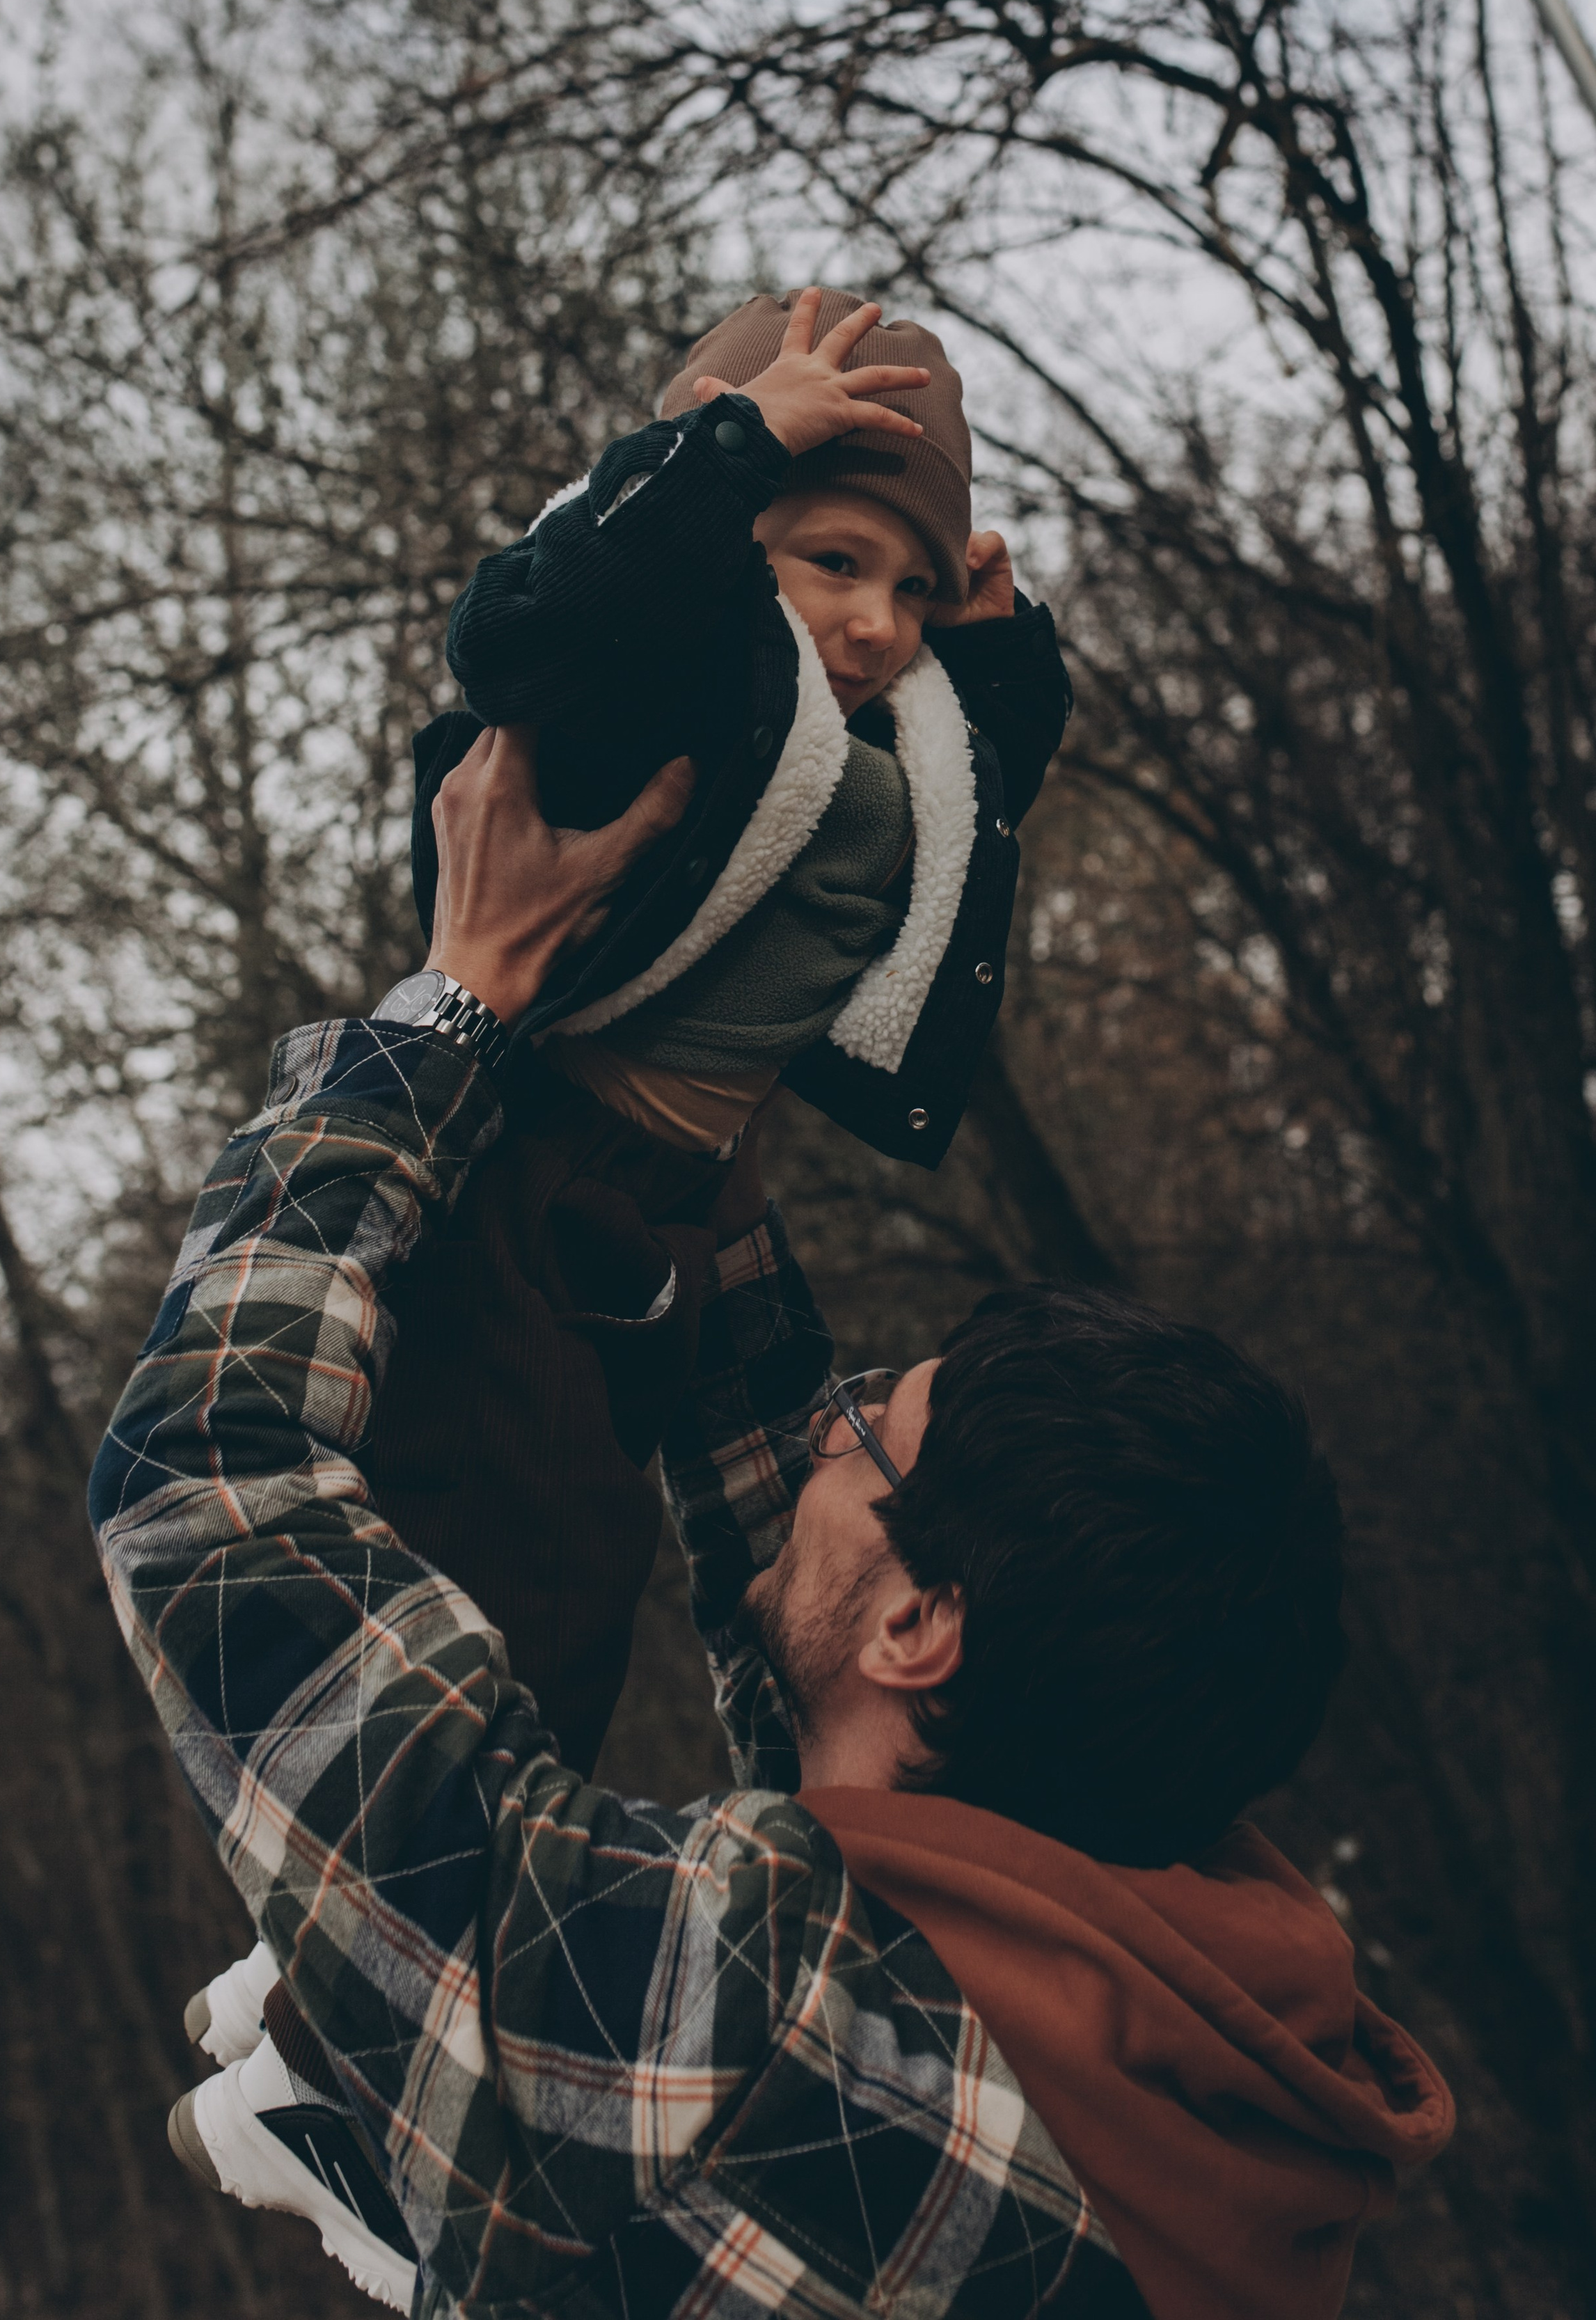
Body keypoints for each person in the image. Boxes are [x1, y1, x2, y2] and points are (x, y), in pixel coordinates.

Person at [92, 720, 1454, 2320]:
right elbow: (835, 1728)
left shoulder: (717, 2033)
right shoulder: (1193, 2050)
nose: (819, 1433)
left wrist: (445, 1013)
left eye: (861, 1434)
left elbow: (208, 1495)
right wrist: (696, 1143)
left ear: (917, 1625)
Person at [364, 286, 1073, 1769]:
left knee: (772, 1524)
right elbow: (519, 631)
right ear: (722, 528)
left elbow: (973, 806)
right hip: (542, 1179)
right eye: (830, 562)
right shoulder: (664, 672)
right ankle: (425, 1869)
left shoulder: (870, 732)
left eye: (909, 589)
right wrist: (720, 449)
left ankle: (845, 1828)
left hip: (703, 1198)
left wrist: (997, 650)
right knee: (540, 1549)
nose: (874, 626)